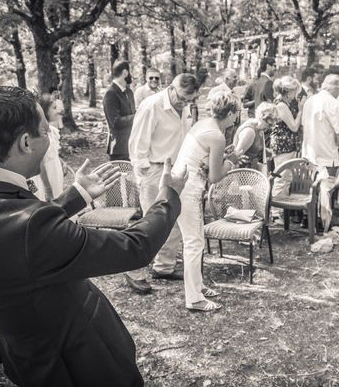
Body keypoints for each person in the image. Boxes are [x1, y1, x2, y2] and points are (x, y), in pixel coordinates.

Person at [0, 86, 183, 387]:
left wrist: (76, 196)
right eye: (46, 130)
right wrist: (169, 195)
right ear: (25, 142)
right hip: (82, 363)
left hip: (30, 358)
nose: (50, 136)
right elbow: (135, 247)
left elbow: (11, 233)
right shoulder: (30, 230)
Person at [127, 73, 200, 294]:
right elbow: (137, 142)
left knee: (176, 218)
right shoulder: (152, 105)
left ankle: (164, 266)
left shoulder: (186, 106)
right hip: (154, 168)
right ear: (171, 88)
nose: (186, 104)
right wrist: (143, 175)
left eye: (190, 100)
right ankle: (134, 271)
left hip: (178, 167)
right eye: (183, 98)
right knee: (152, 222)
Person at [172, 91, 242, 311]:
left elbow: (200, 160)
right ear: (229, 113)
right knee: (194, 242)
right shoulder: (217, 135)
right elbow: (215, 177)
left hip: (181, 183)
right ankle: (194, 299)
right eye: (236, 113)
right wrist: (231, 161)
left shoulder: (202, 125)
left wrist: (222, 159)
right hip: (188, 189)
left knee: (196, 239)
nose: (237, 117)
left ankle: (199, 286)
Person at [271, 77, 306, 211]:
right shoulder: (281, 105)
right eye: (295, 92)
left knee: (286, 178)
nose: (295, 95)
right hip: (283, 146)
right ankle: (276, 211)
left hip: (286, 145)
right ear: (289, 92)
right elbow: (294, 126)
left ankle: (281, 210)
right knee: (282, 178)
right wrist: (301, 110)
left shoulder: (283, 103)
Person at [301, 74, 339, 168]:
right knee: (327, 182)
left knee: (311, 182)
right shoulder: (333, 103)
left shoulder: (310, 100)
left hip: (309, 155)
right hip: (327, 156)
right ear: (335, 88)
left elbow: (303, 126)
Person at [33, 93, 72, 201]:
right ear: (45, 111)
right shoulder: (39, 134)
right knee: (49, 201)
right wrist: (47, 188)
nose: (58, 111)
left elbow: (52, 154)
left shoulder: (52, 131)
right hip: (46, 176)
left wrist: (62, 163)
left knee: (58, 198)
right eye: (54, 108)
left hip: (55, 173)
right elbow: (40, 162)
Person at [103, 59, 136, 161]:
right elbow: (115, 122)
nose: (131, 75)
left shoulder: (129, 92)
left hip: (132, 146)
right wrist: (138, 116)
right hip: (118, 149)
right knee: (118, 177)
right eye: (130, 72)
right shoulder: (110, 93)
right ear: (125, 73)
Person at [233, 102, 279, 169]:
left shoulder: (259, 128)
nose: (269, 127)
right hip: (243, 171)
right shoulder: (249, 132)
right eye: (269, 124)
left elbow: (253, 148)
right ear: (262, 117)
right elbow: (236, 155)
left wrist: (266, 151)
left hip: (251, 168)